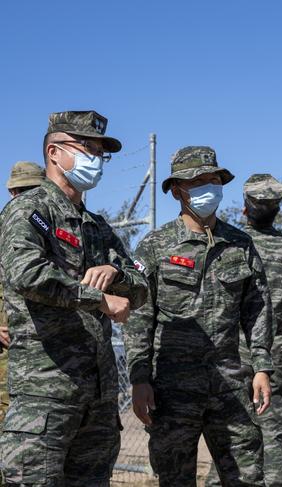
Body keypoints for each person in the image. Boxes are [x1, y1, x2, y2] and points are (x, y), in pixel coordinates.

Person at [0, 111, 148, 486]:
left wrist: (117, 273)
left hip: (96, 399)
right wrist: (97, 299)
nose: (95, 158)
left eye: (101, 152)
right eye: (86, 147)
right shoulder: (29, 210)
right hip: (44, 395)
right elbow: (27, 274)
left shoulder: (97, 227)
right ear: (54, 152)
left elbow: (142, 286)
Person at [123, 147, 274, 487]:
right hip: (173, 388)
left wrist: (262, 366)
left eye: (213, 180)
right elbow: (140, 317)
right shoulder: (156, 246)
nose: (208, 187)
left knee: (248, 476)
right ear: (178, 189)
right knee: (175, 478)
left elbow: (258, 309)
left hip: (231, 384)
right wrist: (139, 377)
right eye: (198, 181)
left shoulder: (240, 244)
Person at [206, 173, 282, 487]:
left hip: (231, 361)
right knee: (272, 443)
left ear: (244, 208)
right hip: (275, 364)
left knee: (229, 443)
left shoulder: (228, 245)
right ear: (277, 209)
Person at [0, 162, 46, 423]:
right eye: (23, 190)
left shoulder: (53, 236)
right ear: (12, 193)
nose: (28, 197)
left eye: (34, 190)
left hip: (43, 362)